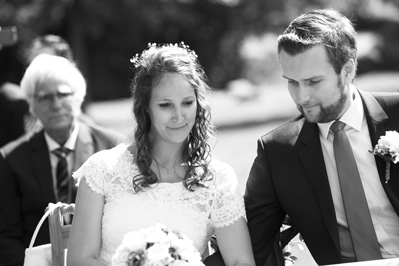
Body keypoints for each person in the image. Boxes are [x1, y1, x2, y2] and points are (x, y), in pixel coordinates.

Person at [67, 43, 255, 266]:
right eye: (165, 105)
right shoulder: (102, 170)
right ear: (145, 107)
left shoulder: (218, 179)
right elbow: (80, 260)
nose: (179, 116)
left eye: (187, 103)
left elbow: (240, 262)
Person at [243, 8, 399, 266]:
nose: (302, 97)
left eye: (313, 81)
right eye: (292, 82)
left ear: (347, 71)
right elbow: (250, 246)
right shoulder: (277, 152)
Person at [0, 54, 125, 266]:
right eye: (44, 97)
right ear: (31, 104)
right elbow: (6, 236)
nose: (56, 104)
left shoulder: (112, 146)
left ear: (78, 97)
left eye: (63, 94)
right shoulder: (10, 159)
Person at [0, 34, 77, 150]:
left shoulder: (86, 129)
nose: (35, 72)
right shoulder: (12, 107)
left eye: (43, 66)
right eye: (31, 65)